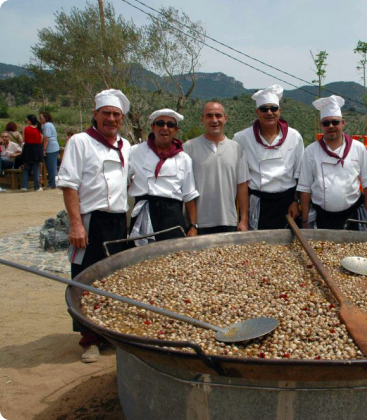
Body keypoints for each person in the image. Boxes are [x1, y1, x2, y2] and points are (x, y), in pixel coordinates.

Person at [57, 89, 132, 363]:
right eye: (106, 114)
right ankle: (88, 338)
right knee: (84, 278)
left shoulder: (126, 145)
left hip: (117, 220)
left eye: (116, 114)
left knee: (113, 278)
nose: (111, 119)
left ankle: (108, 332)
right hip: (91, 219)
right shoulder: (80, 142)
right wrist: (76, 224)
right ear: (95, 115)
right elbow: (69, 184)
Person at [297, 95, 367, 230]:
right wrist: (305, 220)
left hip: (352, 215)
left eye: (335, 122)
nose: (331, 126)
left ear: (343, 123)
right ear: (321, 125)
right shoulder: (311, 151)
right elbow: (305, 188)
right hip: (321, 216)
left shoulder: (358, 148)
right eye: (326, 123)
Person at [232, 85, 304, 229]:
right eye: (264, 109)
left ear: (279, 111)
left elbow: (300, 174)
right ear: (257, 112)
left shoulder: (294, 136)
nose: (269, 112)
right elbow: (241, 181)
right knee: (258, 247)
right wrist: (244, 218)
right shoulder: (241, 138)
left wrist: (296, 202)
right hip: (258, 202)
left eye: (273, 108)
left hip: (287, 203)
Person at [128, 109, 199, 244]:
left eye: (170, 125)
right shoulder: (135, 151)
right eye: (160, 123)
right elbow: (123, 182)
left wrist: (193, 226)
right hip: (144, 212)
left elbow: (189, 194)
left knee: (172, 259)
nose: (165, 128)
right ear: (153, 127)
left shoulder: (184, 158)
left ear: (176, 130)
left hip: (172, 217)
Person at [183, 101, 250, 234]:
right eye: (209, 116)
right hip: (199, 224)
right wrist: (192, 225)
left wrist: (243, 220)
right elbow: (185, 188)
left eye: (218, 116)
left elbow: (242, 185)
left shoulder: (236, 148)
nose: (214, 120)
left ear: (225, 118)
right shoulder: (189, 147)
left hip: (229, 221)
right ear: (202, 119)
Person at [21, 115, 44, 192]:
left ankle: (24, 186)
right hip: (36, 149)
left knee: (26, 168)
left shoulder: (25, 129)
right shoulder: (39, 130)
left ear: (30, 121)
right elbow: (41, 140)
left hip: (27, 148)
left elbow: (23, 139)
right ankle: (36, 187)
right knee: (36, 168)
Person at [40, 112, 60, 189]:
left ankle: (53, 183)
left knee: (51, 167)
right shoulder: (50, 125)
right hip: (54, 146)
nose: (40, 119)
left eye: (41, 117)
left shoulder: (46, 125)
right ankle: (53, 182)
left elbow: (46, 138)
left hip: (50, 148)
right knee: (52, 166)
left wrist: (44, 149)